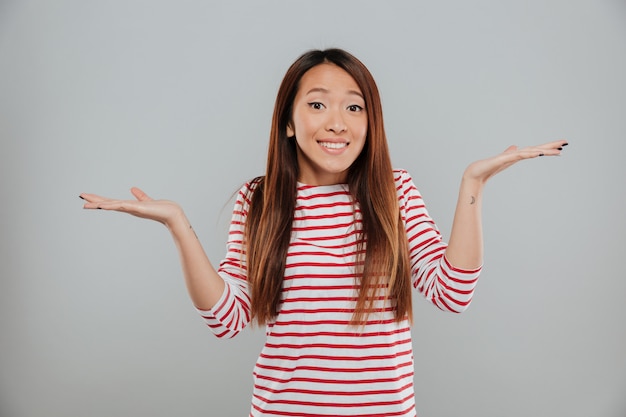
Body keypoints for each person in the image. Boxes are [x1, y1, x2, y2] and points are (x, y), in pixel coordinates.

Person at [80, 48, 567, 416]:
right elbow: (228, 318)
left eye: (355, 108)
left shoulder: (393, 192)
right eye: (318, 105)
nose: (337, 123)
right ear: (289, 123)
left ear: (370, 122)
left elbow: (452, 292)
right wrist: (178, 226)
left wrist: (473, 183)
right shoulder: (261, 198)